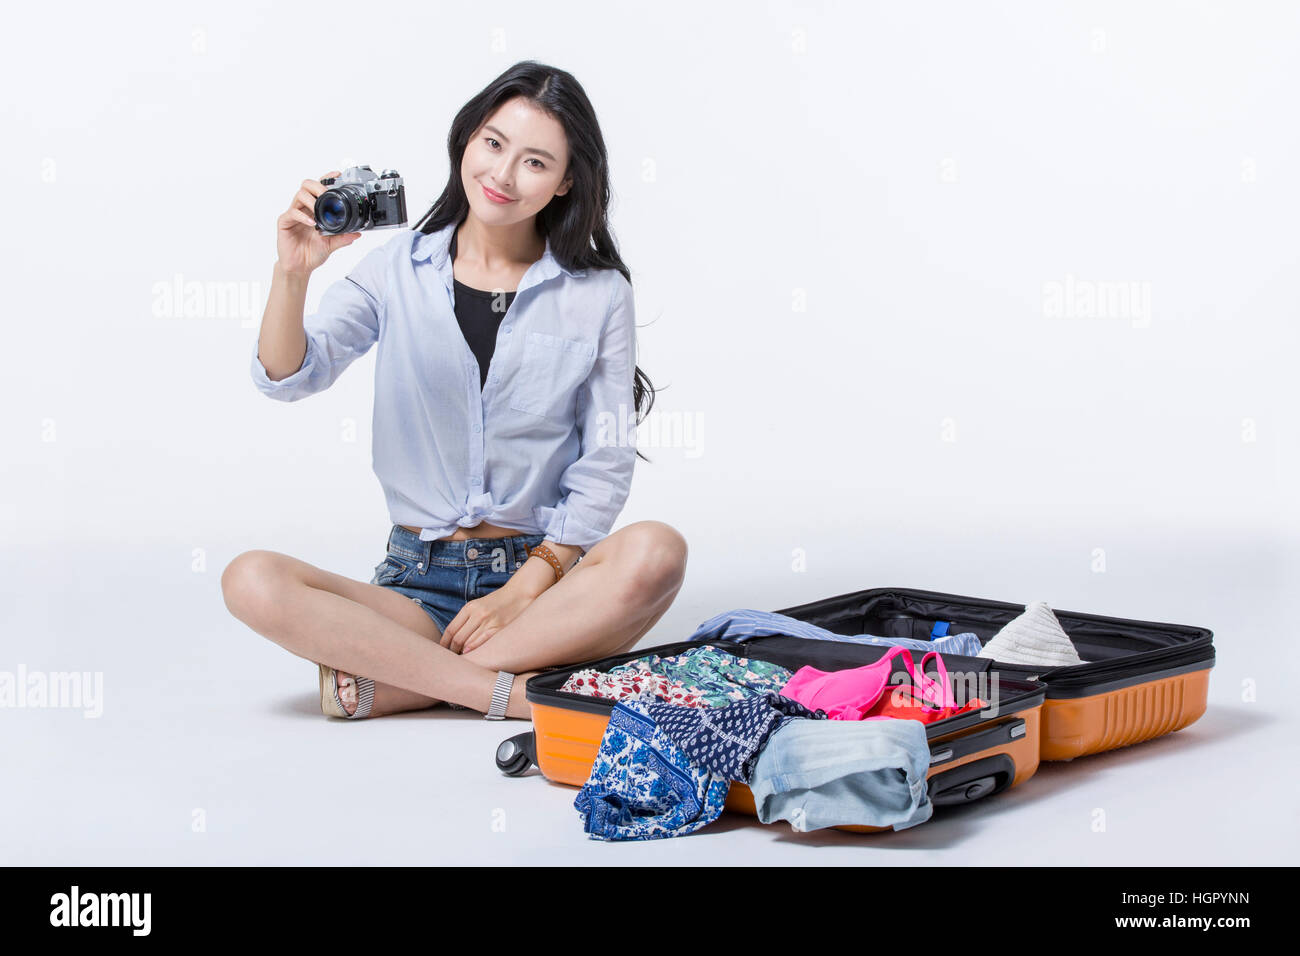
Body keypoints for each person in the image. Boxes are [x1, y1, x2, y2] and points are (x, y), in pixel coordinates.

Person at [221, 61, 687, 721]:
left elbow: (604, 460)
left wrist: (525, 589)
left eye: (534, 162)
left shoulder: (598, 294)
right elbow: (291, 374)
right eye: (493, 144)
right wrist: (291, 273)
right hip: (415, 587)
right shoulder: (395, 269)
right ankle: (516, 689)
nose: (501, 174)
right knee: (250, 579)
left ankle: (408, 678)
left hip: (540, 582)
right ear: (466, 139)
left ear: (565, 182)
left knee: (659, 550)